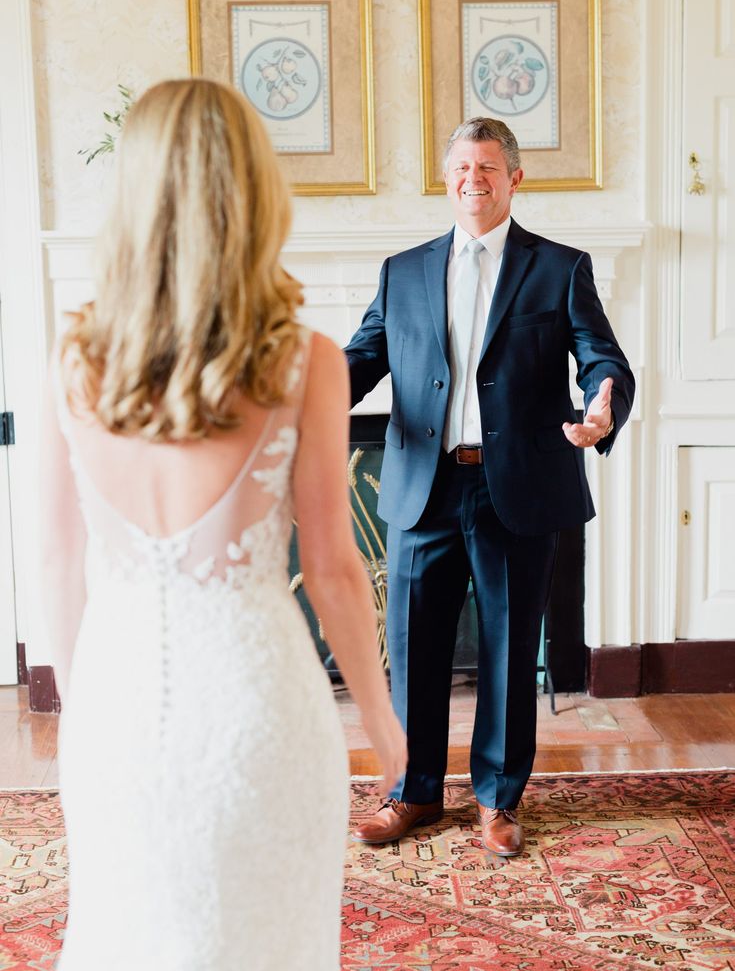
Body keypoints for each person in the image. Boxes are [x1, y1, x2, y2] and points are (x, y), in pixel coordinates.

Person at [40, 78, 406, 971]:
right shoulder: (305, 362)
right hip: (260, 712)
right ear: (254, 190)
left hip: (116, 705)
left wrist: (86, 717)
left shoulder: (68, 360)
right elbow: (334, 570)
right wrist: (383, 719)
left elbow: (56, 564)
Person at [345, 117, 634, 857]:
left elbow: (601, 359)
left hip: (516, 488)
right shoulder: (402, 270)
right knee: (411, 650)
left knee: (508, 650)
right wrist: (293, 399)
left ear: (513, 178)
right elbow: (361, 358)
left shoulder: (558, 268)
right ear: (446, 180)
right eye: (460, 169)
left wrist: (602, 404)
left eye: (487, 167)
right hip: (424, 486)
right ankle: (411, 793)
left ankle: (497, 802)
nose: (472, 180)